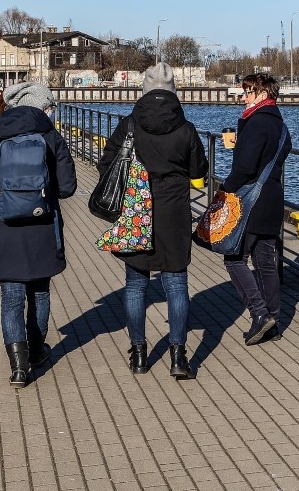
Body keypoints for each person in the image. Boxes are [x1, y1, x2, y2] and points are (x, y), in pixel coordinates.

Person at [96, 62, 208, 379]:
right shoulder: (185, 129)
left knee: (135, 285)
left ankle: (140, 354)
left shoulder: (130, 125)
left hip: (136, 210)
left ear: (143, 89)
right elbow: (199, 170)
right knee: (176, 284)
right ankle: (178, 356)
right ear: (174, 92)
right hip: (174, 212)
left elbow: (107, 164)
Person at [0, 82, 77, 389]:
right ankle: (37, 351)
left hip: (5, 227)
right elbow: (68, 187)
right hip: (42, 226)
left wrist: (2, 193)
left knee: (11, 298)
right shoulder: (51, 137)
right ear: (43, 107)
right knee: (40, 292)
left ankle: (19, 368)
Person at [222, 73, 292, 346]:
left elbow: (245, 168)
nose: (243, 97)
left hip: (252, 201)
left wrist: (226, 188)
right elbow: (283, 149)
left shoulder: (256, 122)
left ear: (262, 95)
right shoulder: (279, 123)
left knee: (234, 257)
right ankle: (273, 321)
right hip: (272, 197)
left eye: (247, 93)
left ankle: (260, 314)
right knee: (265, 260)